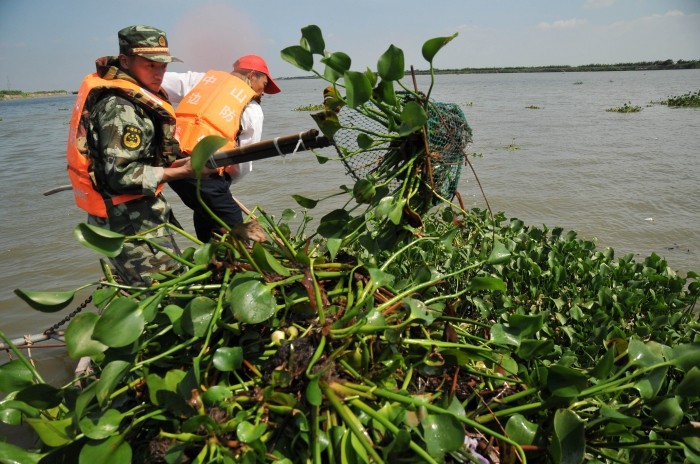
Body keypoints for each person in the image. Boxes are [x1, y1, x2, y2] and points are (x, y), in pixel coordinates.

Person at [66, 25, 205, 286]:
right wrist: (183, 172)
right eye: (150, 65)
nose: (159, 72)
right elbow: (120, 174)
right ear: (126, 61)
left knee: (167, 285)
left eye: (163, 65)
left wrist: (184, 162)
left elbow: (138, 161)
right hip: (129, 223)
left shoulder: (133, 99)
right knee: (163, 293)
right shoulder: (121, 108)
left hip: (137, 215)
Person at [162, 55, 281, 242]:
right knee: (234, 227)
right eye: (264, 84)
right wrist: (224, 184)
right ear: (252, 75)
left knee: (207, 215)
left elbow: (158, 81)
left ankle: (211, 262)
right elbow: (243, 159)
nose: (263, 92)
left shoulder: (202, 80)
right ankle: (238, 267)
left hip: (169, 161)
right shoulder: (252, 109)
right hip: (202, 172)